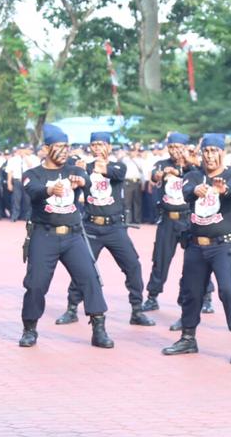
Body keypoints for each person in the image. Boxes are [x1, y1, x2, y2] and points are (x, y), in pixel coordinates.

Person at [18, 125, 112, 349]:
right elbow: (34, 191)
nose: (63, 151)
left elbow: (86, 181)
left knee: (90, 278)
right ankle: (29, 329)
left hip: (73, 236)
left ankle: (99, 328)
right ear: (46, 148)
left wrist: (83, 182)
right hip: (44, 235)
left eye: (66, 147)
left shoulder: (74, 170)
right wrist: (50, 191)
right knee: (36, 284)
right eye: (58, 147)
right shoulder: (33, 175)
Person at [162, 134, 231, 364]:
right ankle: (188, 338)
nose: (210, 156)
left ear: (223, 152)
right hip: (196, 245)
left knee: (230, 291)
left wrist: (221, 190)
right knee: (191, 292)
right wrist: (198, 190)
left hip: (223, 246)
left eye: (214, 151)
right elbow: (187, 191)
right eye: (206, 151)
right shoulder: (193, 176)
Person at [54, 131, 156, 328]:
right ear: (90, 147)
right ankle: (72, 308)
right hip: (91, 225)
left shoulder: (118, 165)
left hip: (115, 227)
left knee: (133, 265)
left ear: (109, 147)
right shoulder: (81, 166)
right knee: (82, 268)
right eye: (94, 145)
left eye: (102, 144)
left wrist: (88, 167)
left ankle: (137, 309)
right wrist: (79, 168)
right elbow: (68, 171)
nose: (98, 148)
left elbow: (117, 173)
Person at [143, 132, 213, 315]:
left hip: (189, 218)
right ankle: (152, 296)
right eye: (171, 147)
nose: (175, 151)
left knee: (199, 258)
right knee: (160, 258)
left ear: (185, 147)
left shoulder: (194, 168)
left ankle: (207, 297)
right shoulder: (162, 164)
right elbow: (155, 175)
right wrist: (161, 174)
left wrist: (183, 169)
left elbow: (205, 173)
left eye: (178, 147)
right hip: (168, 218)